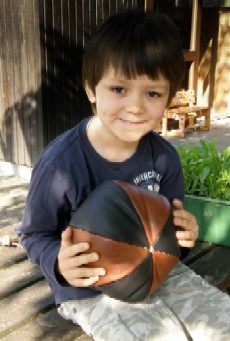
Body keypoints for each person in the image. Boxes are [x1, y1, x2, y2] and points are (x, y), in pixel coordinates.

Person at [16, 9, 230, 341]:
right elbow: (33, 235)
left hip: (160, 273)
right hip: (90, 289)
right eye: (118, 89)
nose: (135, 106)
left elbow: (170, 234)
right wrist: (58, 263)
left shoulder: (164, 158)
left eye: (153, 93)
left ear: (169, 98)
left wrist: (184, 236)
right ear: (91, 89)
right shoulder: (61, 164)